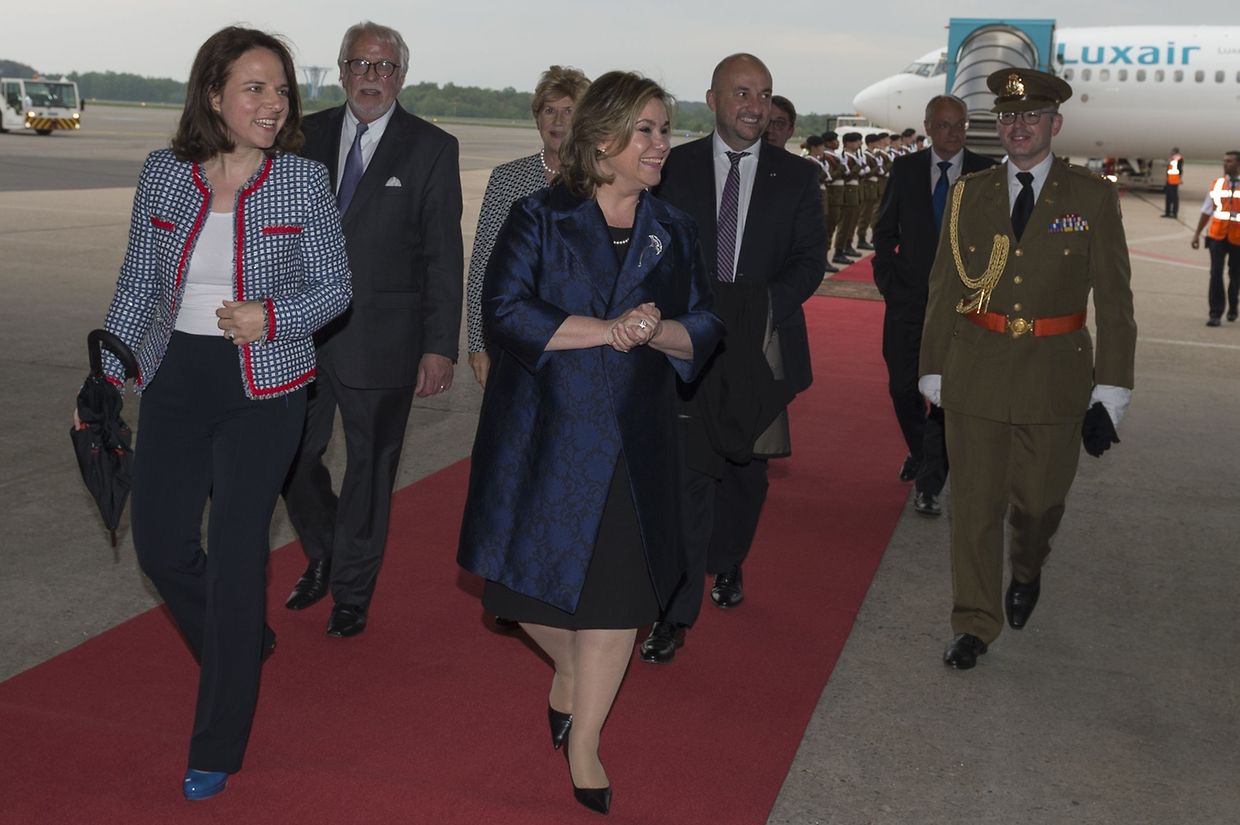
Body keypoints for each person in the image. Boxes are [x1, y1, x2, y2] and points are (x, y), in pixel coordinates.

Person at [88, 26, 351, 799]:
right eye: (255, 88)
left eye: (280, 90)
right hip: (175, 375)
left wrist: (274, 315)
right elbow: (139, 285)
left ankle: (218, 742)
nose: (274, 104)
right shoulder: (163, 174)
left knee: (238, 557)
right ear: (213, 94)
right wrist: (108, 371)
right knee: (161, 548)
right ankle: (241, 643)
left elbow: (335, 288)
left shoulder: (302, 181)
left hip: (264, 386)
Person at [457, 71, 722, 814]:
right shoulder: (539, 216)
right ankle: (571, 668)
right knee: (520, 592)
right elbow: (505, 309)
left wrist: (657, 330)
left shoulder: (675, 227)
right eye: (646, 130)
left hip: (633, 444)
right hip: (545, 435)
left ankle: (586, 742)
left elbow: (705, 323)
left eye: (665, 129)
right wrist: (605, 330)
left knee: (615, 601)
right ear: (602, 137)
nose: (661, 143)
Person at [920, 69, 1137, 670]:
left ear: (1054, 124)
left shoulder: (1091, 196)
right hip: (977, 370)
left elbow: (1115, 302)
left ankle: (1028, 566)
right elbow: (944, 286)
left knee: (1038, 507)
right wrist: (933, 367)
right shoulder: (971, 192)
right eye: (1009, 117)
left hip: (1054, 376)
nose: (1019, 126)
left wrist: (1112, 390)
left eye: (1032, 117)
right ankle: (974, 622)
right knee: (975, 507)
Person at [639, 53, 826, 664]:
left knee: (746, 474)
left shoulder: (796, 178)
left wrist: (755, 312)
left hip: (761, 350)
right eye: (742, 92)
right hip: (686, 347)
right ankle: (675, 610)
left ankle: (729, 560)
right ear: (713, 98)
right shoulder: (674, 168)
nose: (755, 105)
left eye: (765, 94)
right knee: (689, 476)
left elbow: (808, 262)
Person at [281, 21, 464, 638]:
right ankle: (328, 547)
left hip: (383, 339)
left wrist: (440, 345)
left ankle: (352, 591)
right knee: (289, 457)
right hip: (298, 330)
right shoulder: (303, 135)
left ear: (401, 77)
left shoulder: (432, 148)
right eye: (360, 64)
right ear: (342, 70)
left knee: (370, 468)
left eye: (384, 67)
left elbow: (443, 255)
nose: (371, 78)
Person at [872, 94, 995, 517]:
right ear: (927, 126)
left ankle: (929, 481)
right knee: (901, 386)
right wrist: (889, 281)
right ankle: (924, 453)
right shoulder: (906, 170)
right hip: (907, 299)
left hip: (961, 307)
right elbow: (884, 230)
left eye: (959, 125)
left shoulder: (985, 174)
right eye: (943, 125)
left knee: (946, 396)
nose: (953, 133)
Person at [466, 65, 591, 388]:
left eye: (568, 110)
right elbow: (483, 266)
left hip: (581, 341)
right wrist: (479, 344)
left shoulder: (599, 183)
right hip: (512, 339)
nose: (559, 121)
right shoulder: (506, 179)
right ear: (537, 117)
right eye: (550, 110)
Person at [1189, 151, 1240, 326]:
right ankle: (1215, 313)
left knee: (1236, 276)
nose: (1226, 164)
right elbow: (1207, 210)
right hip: (1217, 236)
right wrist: (1197, 233)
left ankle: (1233, 306)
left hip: (1238, 239)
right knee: (1215, 273)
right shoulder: (1217, 184)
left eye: (1230, 161)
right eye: (1224, 161)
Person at [1163, 147, 1183, 218]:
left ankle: (1174, 213)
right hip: (1169, 180)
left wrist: (1179, 179)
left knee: (1174, 198)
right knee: (1168, 197)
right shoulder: (1172, 159)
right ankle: (1167, 212)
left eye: (1172, 152)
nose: (1171, 153)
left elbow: (1180, 170)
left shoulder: (1178, 159)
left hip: (1174, 181)